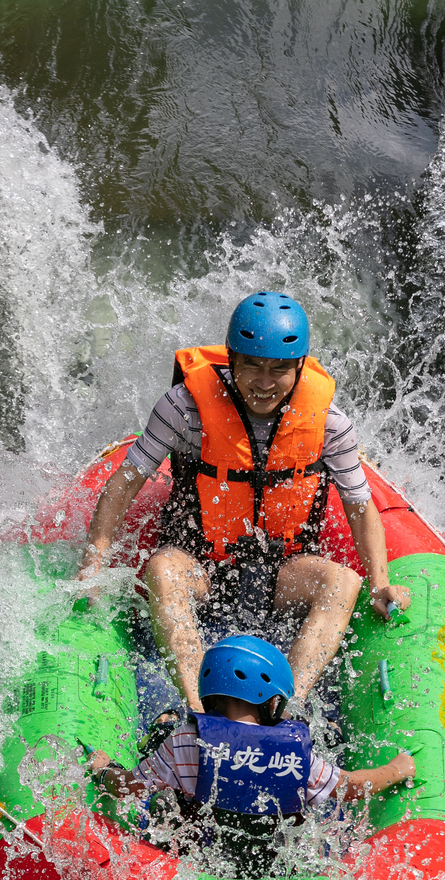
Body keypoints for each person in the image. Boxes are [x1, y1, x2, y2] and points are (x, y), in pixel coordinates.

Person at [78, 291, 411, 713]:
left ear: (300, 368)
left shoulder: (328, 423)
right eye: (252, 364)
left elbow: (360, 507)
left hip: (283, 569)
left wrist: (380, 583)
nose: (264, 381)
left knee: (343, 581)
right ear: (231, 359)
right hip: (199, 562)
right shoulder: (184, 409)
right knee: (162, 569)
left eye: (280, 369)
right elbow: (125, 481)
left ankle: (286, 710)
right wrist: (93, 563)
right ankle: (201, 711)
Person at [89, 636, 414, 878]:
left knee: (166, 739)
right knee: (325, 735)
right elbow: (351, 788)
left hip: (200, 862)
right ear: (271, 701)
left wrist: (103, 771)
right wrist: (397, 769)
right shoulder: (295, 751)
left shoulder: (187, 739)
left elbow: (129, 786)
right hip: (276, 869)